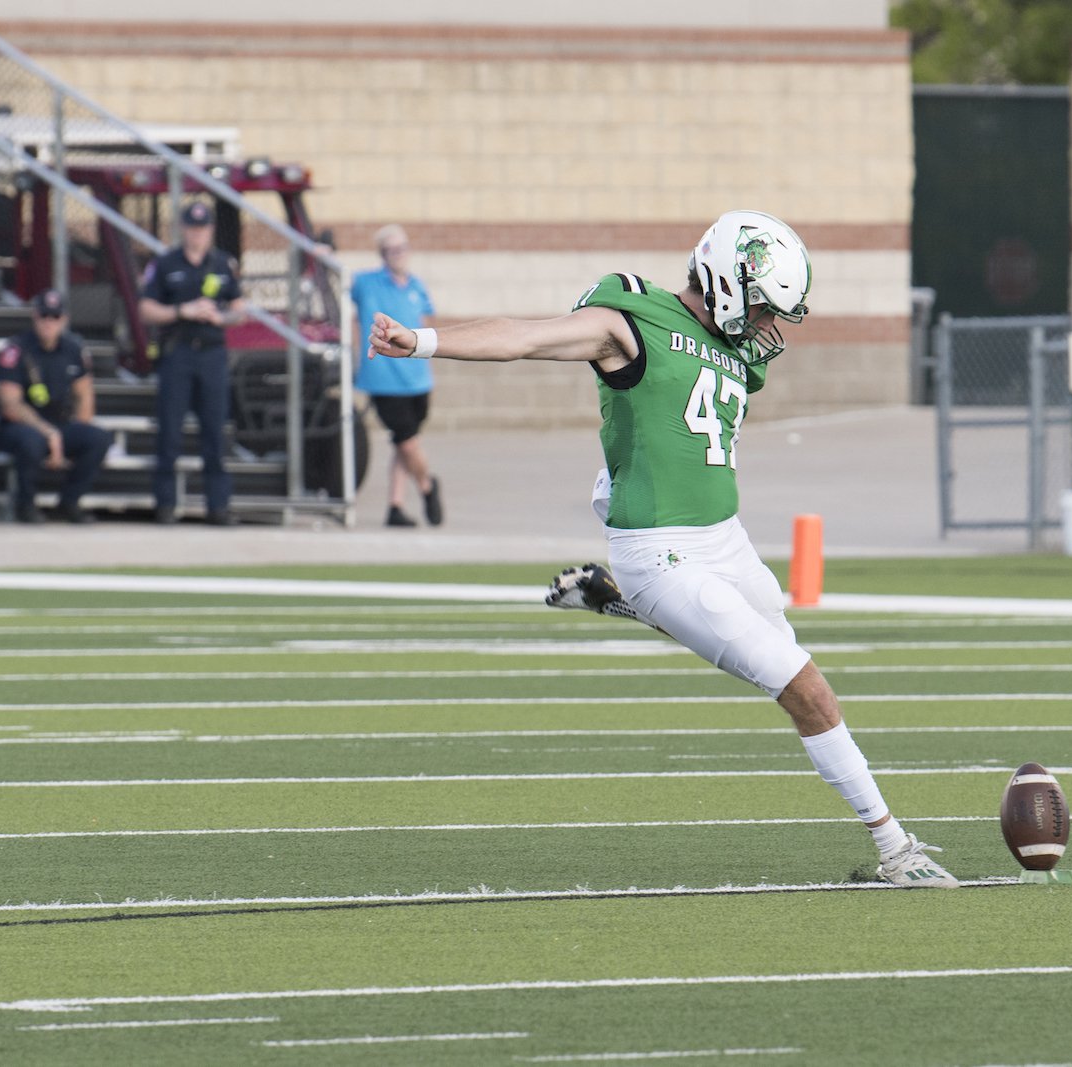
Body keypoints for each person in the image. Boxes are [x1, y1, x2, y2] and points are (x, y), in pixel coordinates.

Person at [369, 210, 958, 889]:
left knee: (793, 669)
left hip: (727, 543)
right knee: (808, 690)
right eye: (766, 306)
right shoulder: (632, 316)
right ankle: (896, 847)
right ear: (730, 282)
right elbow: (526, 337)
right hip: (662, 552)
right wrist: (419, 341)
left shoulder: (734, 351)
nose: (769, 325)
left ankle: (615, 600)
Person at [138, 200, 247, 525]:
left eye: (203, 228)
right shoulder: (166, 263)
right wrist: (180, 311)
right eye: (192, 227)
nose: (197, 234)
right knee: (170, 431)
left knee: (214, 432)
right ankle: (166, 504)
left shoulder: (223, 264)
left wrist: (219, 316)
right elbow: (146, 308)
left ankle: (217, 506)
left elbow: (240, 311)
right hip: (178, 352)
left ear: (210, 230)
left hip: (212, 353)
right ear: (183, 228)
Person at [350, 224, 444, 527]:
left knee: (404, 442)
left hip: (417, 379)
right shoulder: (367, 283)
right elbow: (335, 280)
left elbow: (428, 324)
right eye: (392, 250)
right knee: (407, 441)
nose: (399, 255)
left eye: (402, 248)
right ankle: (428, 486)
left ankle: (395, 505)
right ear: (383, 255)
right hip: (384, 379)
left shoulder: (417, 286)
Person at [0, 289, 114, 524]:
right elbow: (10, 404)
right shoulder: (16, 349)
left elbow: (84, 396)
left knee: (97, 438)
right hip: (20, 426)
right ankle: (25, 506)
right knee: (30, 441)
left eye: (55, 317)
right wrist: (48, 433)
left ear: (64, 319)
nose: (49, 322)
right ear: (35, 317)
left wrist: (76, 428)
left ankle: (69, 502)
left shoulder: (74, 349)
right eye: (44, 316)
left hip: (59, 422)